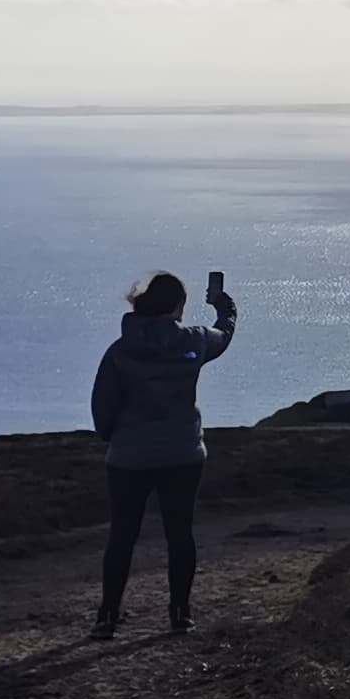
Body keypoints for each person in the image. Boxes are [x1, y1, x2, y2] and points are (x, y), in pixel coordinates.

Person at [86, 268, 237, 638]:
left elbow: (102, 403)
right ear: (176, 306)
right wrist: (225, 305)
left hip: (128, 456)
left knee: (122, 535)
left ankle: (108, 616)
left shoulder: (120, 350)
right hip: (183, 453)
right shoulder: (196, 341)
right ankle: (180, 614)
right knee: (179, 533)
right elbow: (225, 334)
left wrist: (112, 437)